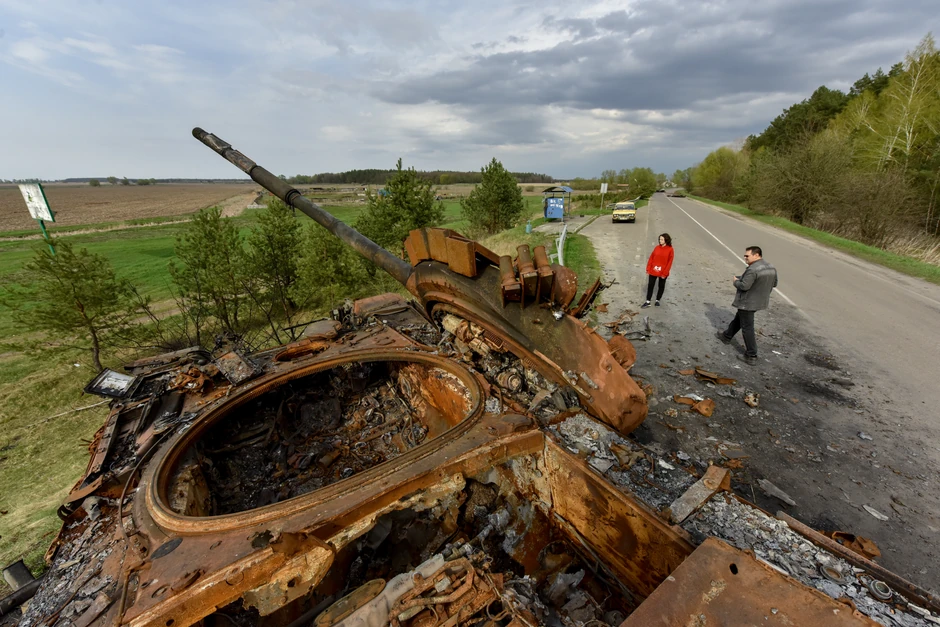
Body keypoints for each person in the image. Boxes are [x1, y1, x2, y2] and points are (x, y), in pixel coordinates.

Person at [716, 246, 778, 365]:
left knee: (747, 327)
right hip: (760, 301)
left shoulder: (753, 269)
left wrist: (735, 281)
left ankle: (751, 355)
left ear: (756, 255)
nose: (745, 258)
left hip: (747, 302)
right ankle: (727, 336)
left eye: (747, 256)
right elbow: (774, 283)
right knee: (739, 318)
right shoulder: (771, 267)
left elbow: (744, 286)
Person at [642, 233, 674, 308]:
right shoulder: (657, 248)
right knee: (650, 285)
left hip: (663, 272)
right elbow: (651, 258)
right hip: (653, 271)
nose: (660, 241)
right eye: (659, 239)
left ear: (666, 240)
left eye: (662, 239)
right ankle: (648, 301)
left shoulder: (670, 250)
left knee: (661, 286)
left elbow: (669, 262)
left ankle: (657, 300)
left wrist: (665, 273)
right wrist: (648, 269)